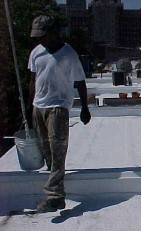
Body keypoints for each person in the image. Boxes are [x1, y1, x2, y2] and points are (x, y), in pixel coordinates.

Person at [28, 15, 91, 212]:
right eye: (37, 37)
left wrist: (84, 108)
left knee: (57, 151)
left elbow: (80, 82)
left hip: (59, 106)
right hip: (39, 106)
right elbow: (33, 79)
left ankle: (55, 196)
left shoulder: (68, 54)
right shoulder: (36, 53)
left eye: (43, 36)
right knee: (45, 150)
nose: (40, 40)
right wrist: (30, 106)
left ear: (53, 33)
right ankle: (54, 181)